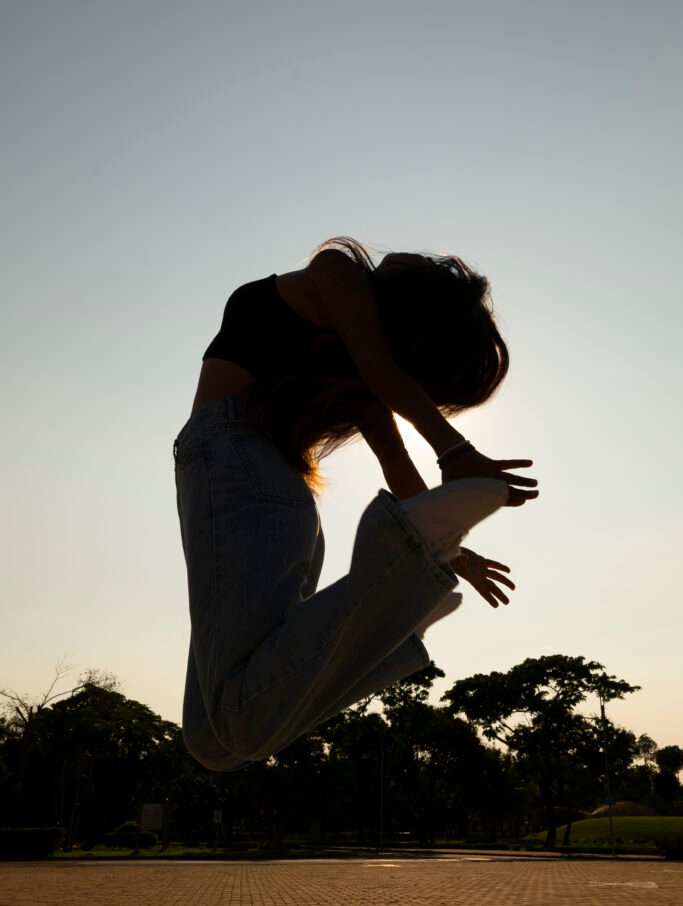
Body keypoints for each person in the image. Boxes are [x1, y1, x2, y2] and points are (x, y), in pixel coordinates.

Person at [173, 236, 538, 771]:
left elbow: (383, 378)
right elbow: (395, 458)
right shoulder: (360, 360)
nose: (419, 252)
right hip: (267, 490)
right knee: (214, 741)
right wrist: (452, 553)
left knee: (238, 722)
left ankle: (398, 586)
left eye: (432, 267)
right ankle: (396, 616)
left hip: (238, 467)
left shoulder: (338, 271)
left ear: (416, 295)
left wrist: (453, 452)